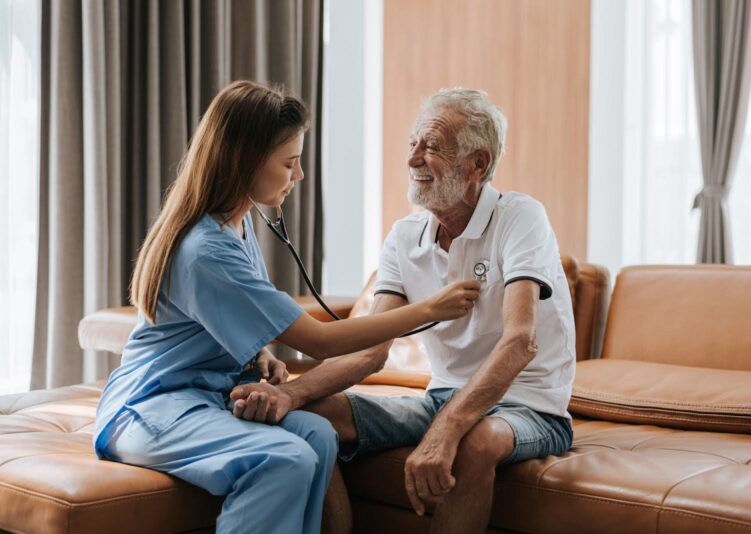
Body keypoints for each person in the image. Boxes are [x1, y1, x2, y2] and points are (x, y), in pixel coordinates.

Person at [92, 80, 481, 534]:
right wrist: (430, 308)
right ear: (245, 162)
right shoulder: (206, 250)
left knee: (316, 436)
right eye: (290, 163)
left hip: (205, 400)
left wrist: (261, 357)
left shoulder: (237, 227)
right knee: (285, 458)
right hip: (150, 409)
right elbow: (318, 340)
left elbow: (218, 322)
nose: (298, 176)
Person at [231, 88, 576, 534]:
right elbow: (371, 352)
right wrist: (290, 395)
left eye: (431, 147)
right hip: (440, 398)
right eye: (412, 143)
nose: (413, 158)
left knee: (477, 440)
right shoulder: (404, 235)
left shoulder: (520, 217)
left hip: (529, 407)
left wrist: (446, 430)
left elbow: (520, 340)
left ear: (478, 164)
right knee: (309, 416)